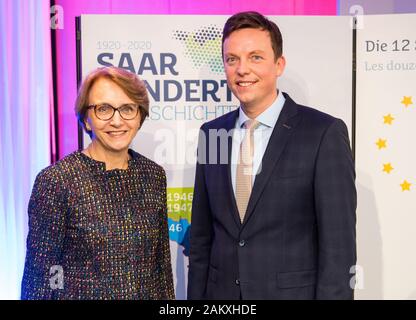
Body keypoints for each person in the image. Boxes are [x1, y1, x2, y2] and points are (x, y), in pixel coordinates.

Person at [188, 11, 356, 300]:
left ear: (279, 64)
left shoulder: (322, 133)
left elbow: (338, 248)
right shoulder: (212, 133)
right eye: (232, 59)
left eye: (255, 57)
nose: (242, 69)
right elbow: (203, 238)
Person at [21, 66, 174, 300]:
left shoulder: (153, 175)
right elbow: (42, 277)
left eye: (127, 109)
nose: (116, 120)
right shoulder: (57, 181)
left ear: (140, 115)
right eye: (103, 109)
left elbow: (161, 267)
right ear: (87, 119)